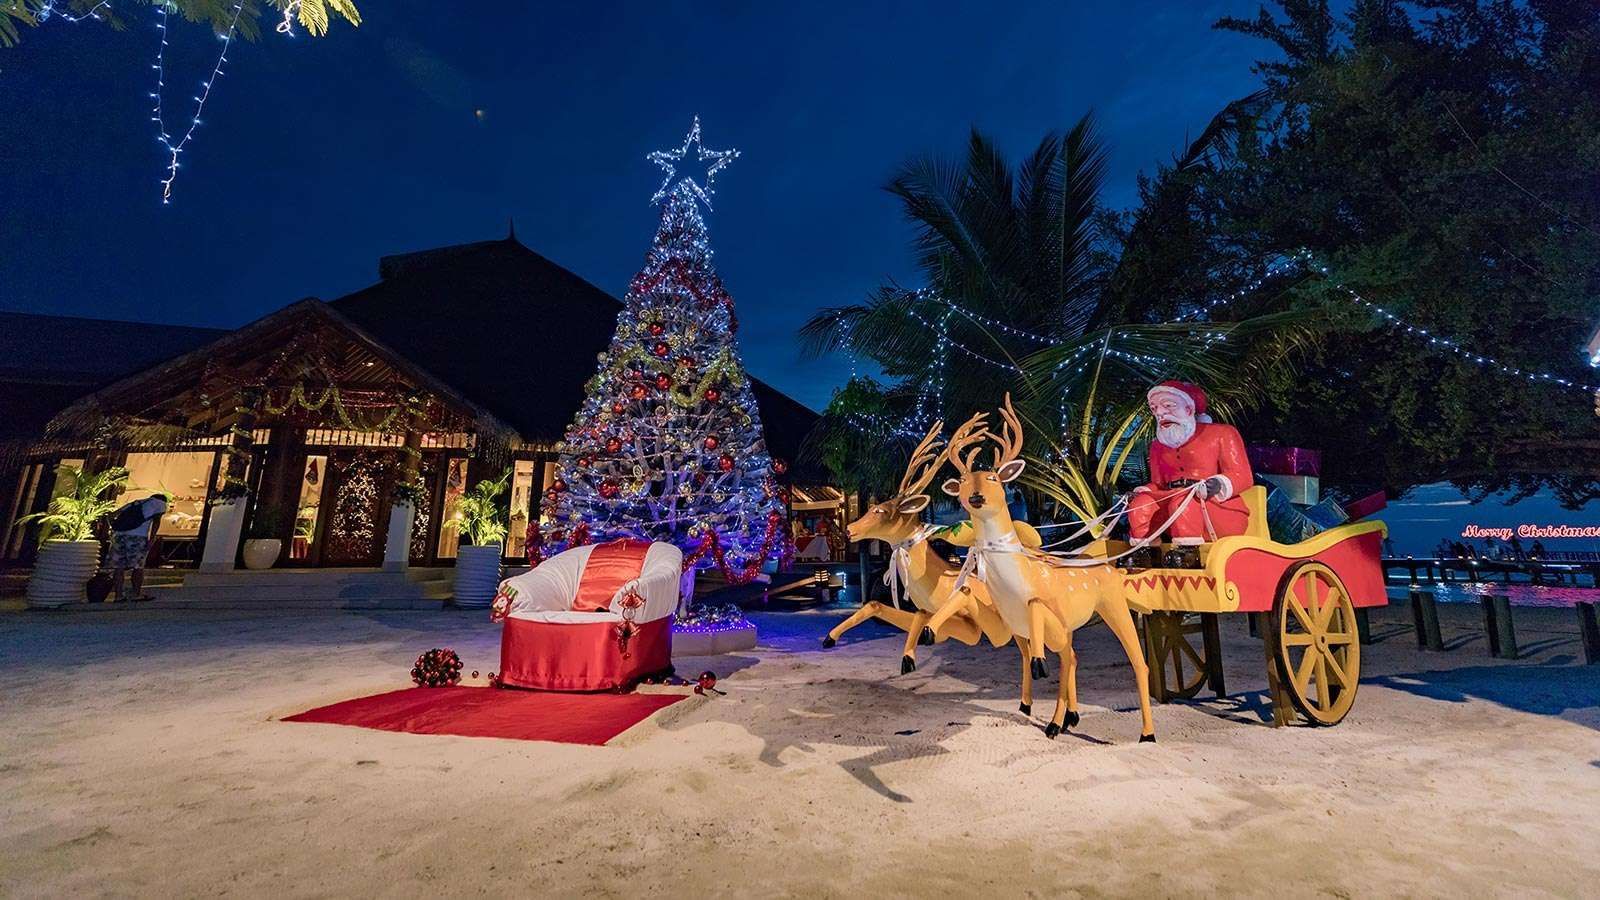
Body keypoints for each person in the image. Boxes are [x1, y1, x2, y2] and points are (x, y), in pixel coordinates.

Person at [1128, 381, 1253, 567]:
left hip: (1218, 510)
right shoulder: (1157, 446)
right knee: (1141, 505)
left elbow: (1243, 475)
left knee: (1182, 501)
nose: (1160, 413)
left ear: (1188, 409)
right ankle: (1145, 552)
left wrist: (1217, 484)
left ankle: (1188, 554)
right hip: (1174, 508)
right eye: (1155, 408)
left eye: (1168, 406)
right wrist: (1143, 491)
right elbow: (1158, 484)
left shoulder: (1223, 433)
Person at [108, 493, 169, 602]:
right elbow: (156, 521)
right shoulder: (160, 504)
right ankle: (136, 594)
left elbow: (112, 516)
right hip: (137, 537)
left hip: (119, 535)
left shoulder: (136, 502)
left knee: (118, 567)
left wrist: (115, 528)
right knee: (138, 566)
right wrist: (152, 538)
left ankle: (118, 596)